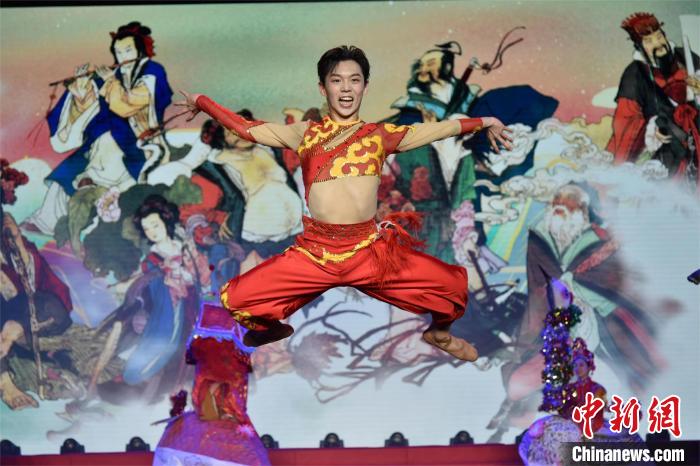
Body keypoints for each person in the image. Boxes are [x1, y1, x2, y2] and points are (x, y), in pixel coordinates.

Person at [176, 45, 512, 361]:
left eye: (355, 80)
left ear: (365, 86)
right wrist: (202, 102)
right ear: (323, 88)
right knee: (236, 298)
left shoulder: (380, 135)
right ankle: (273, 327)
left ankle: (438, 334)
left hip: (369, 251)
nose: (346, 88)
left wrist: (485, 122)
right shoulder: (305, 134)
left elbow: (438, 130)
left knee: (452, 285)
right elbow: (247, 129)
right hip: (315, 253)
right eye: (337, 80)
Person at [518, 338, 647, 466]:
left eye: (581, 365)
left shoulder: (597, 389)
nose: (578, 369)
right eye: (575, 365)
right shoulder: (568, 391)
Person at [606, 12, 700, 188]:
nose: (658, 44)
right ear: (640, 46)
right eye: (649, 41)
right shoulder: (634, 75)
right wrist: (652, 128)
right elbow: (627, 125)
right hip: (669, 154)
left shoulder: (686, 57)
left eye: (659, 36)